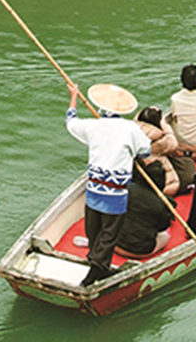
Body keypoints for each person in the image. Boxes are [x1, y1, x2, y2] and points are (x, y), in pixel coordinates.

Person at [65, 82, 152, 285]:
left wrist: (74, 96)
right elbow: (146, 150)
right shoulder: (131, 128)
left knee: (94, 229)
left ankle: (99, 266)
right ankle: (96, 269)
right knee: (110, 233)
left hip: (94, 188)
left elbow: (70, 121)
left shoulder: (92, 126)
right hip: (116, 191)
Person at [114, 157, 175, 259]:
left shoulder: (126, 189)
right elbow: (162, 227)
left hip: (113, 243)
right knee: (165, 236)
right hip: (140, 251)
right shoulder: (162, 204)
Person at [135, 105, 195, 191]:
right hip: (157, 171)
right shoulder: (162, 141)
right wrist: (163, 124)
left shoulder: (133, 131)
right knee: (188, 168)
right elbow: (173, 144)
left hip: (139, 164)